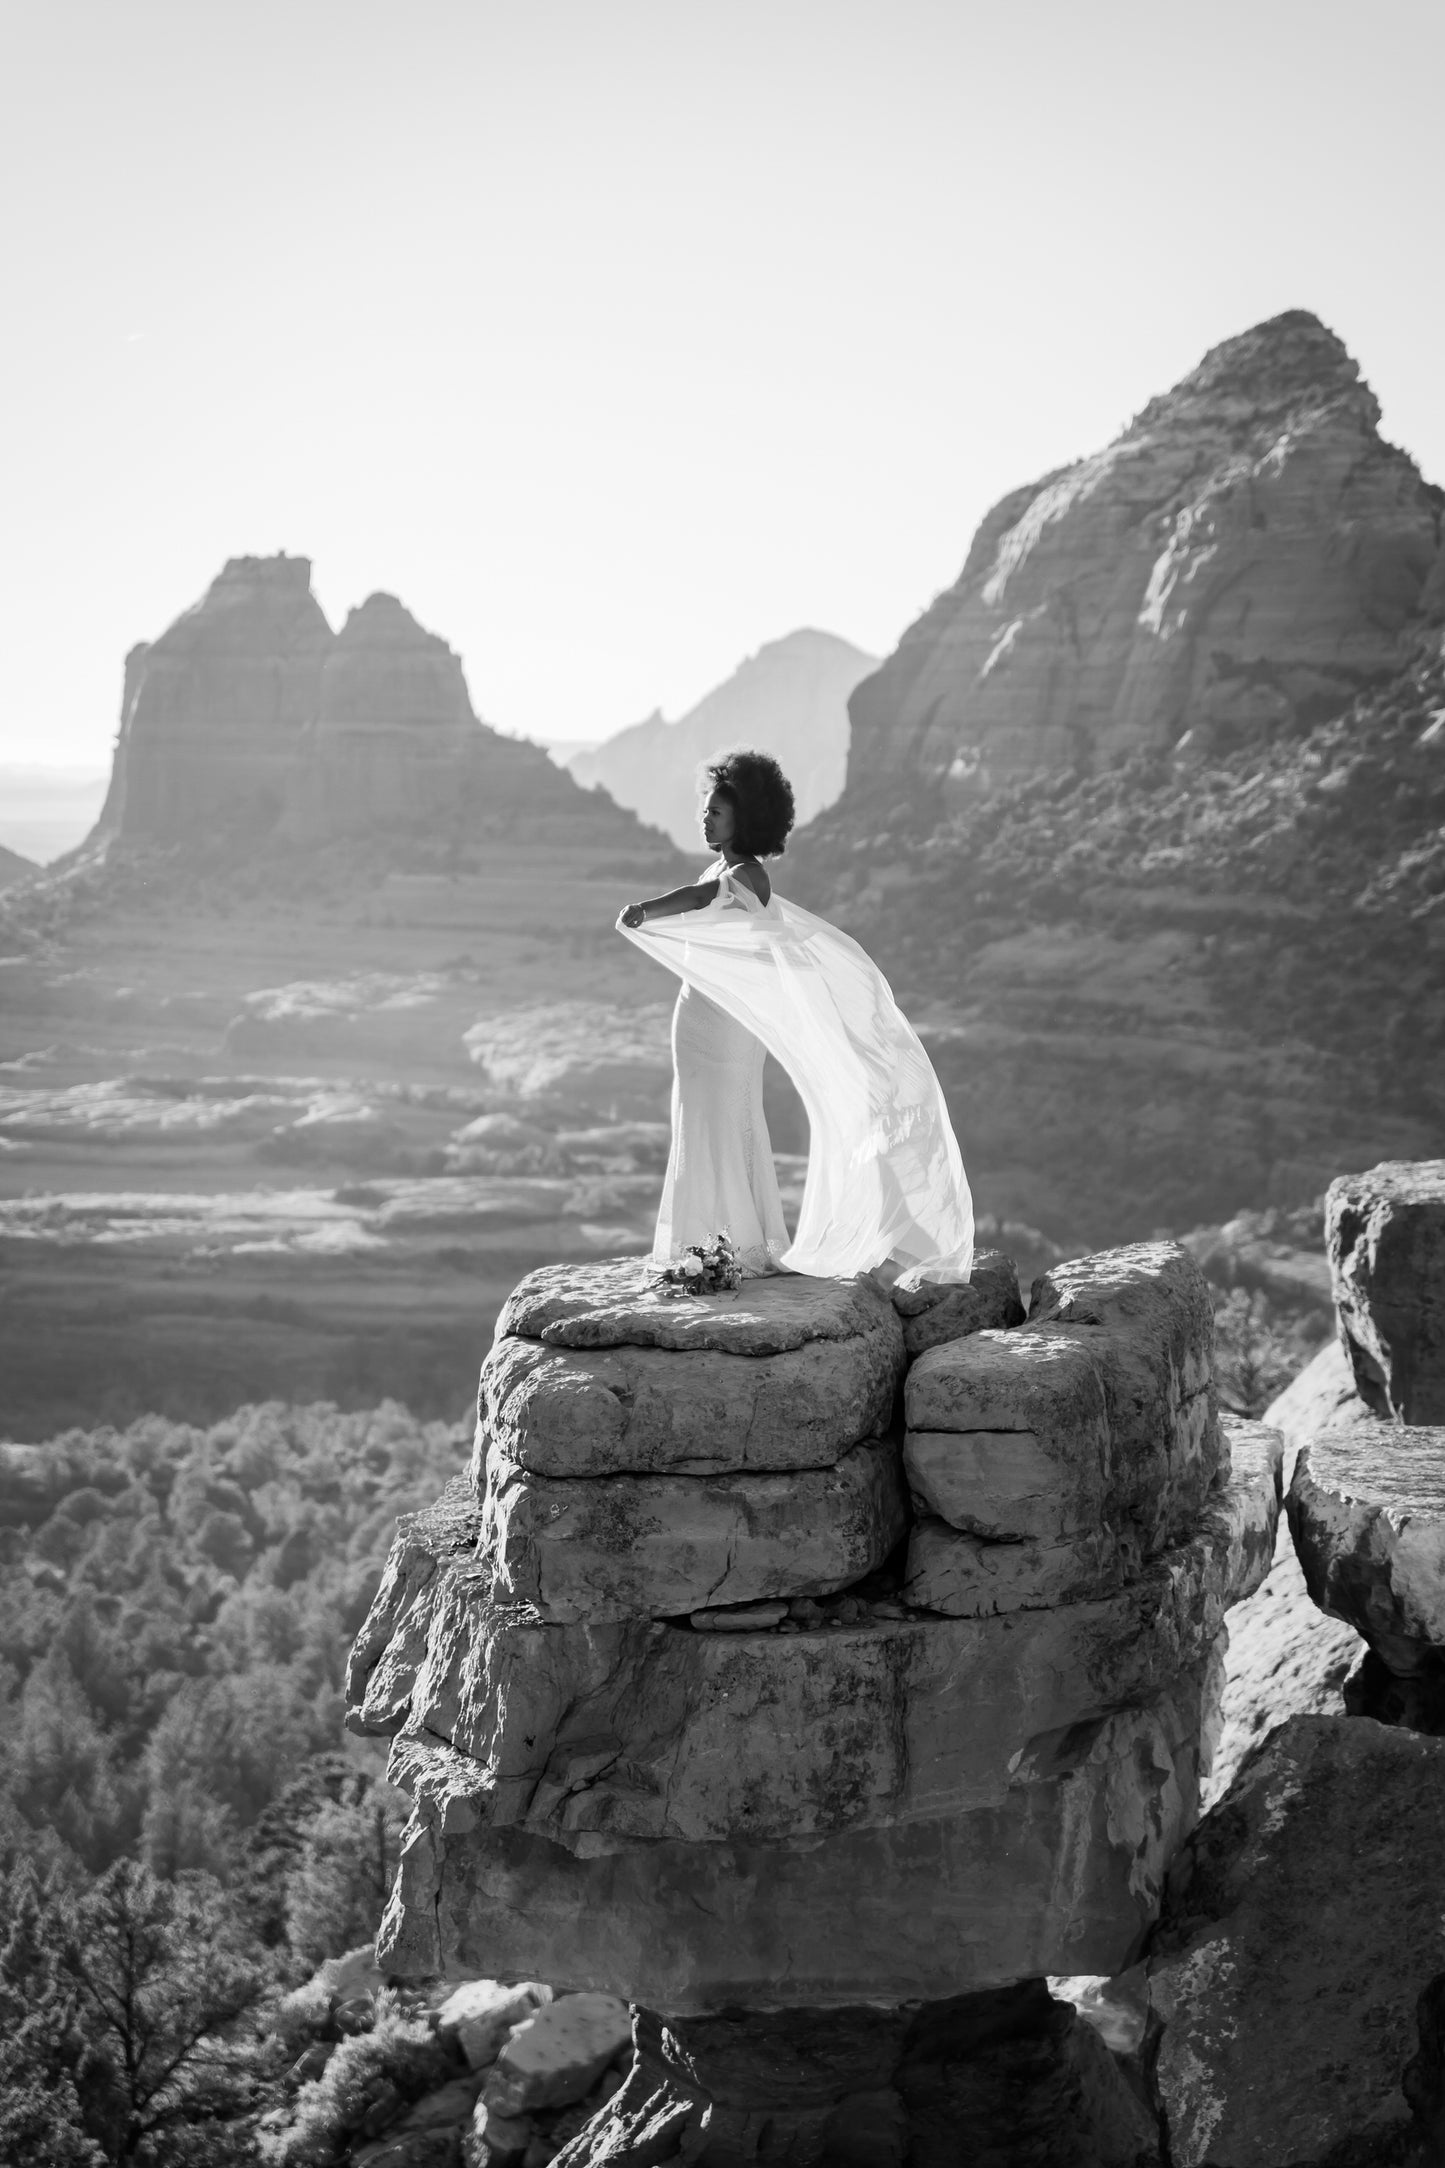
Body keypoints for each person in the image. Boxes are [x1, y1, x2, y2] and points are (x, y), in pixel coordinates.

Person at [617, 747, 974, 1287]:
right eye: (706, 809)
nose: (705, 817)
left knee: (727, 1119)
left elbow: (697, 898)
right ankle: (707, 1241)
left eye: (716, 811)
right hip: (698, 1019)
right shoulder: (723, 868)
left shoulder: (745, 877)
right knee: (700, 1120)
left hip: (725, 1028)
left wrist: (647, 910)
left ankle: (736, 1244)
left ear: (746, 819)